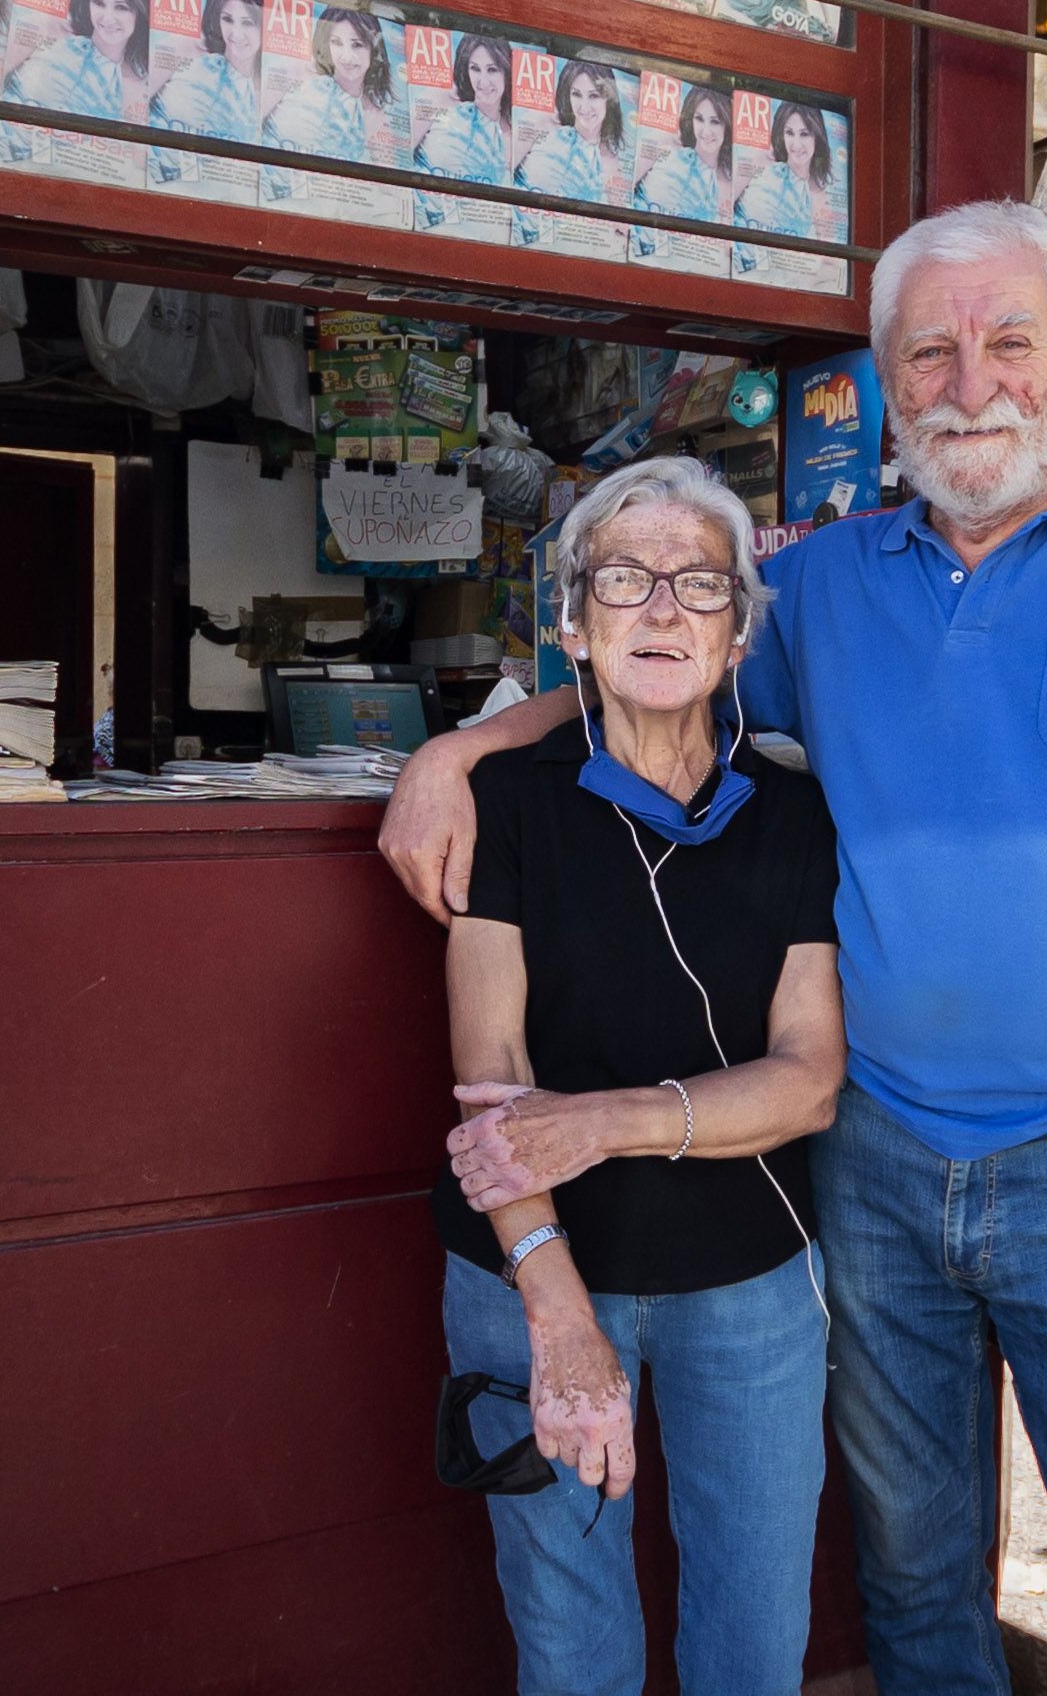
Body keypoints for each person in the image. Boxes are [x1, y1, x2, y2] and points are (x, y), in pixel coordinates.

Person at [390, 200, 1047, 1696]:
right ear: (883, 371)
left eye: (1005, 341)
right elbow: (666, 667)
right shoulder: (826, 583)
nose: (967, 381)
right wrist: (461, 755)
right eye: (928, 350)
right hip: (867, 1162)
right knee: (917, 1593)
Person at [431, 455, 845, 1696]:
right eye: (624, 579)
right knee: (569, 1646)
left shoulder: (793, 813)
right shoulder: (501, 800)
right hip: (533, 1266)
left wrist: (602, 1121)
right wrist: (558, 1322)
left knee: (755, 1638)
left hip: (752, 1283)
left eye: (699, 585)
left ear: (737, 636)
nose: (661, 608)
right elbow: (492, 1084)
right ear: (572, 623)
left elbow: (808, 1079)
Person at [0, 0, 149, 163]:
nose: (108, 18)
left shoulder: (138, 84)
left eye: (121, 7)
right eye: (98, 3)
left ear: (139, 12)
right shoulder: (56, 41)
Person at [260, 4, 397, 202]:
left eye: (357, 44)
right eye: (336, 42)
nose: (346, 56)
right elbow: (249, 123)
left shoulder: (373, 114)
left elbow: (390, 191)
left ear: (374, 51)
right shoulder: (296, 72)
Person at [148, 0, 263, 187]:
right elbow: (133, 112)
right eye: (227, 20)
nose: (236, 34)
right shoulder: (187, 51)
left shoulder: (265, 90)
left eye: (248, 23)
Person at [513, 58, 626, 247]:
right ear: (567, 95)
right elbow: (503, 169)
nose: (584, 107)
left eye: (594, 96)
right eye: (577, 94)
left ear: (609, 99)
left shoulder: (609, 162)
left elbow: (623, 230)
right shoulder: (542, 124)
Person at [412, 33, 514, 229]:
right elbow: (398, 156)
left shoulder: (512, 133)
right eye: (475, 69)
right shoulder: (441, 101)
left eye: (492, 70)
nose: (482, 81)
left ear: (507, 73)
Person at [729, 101, 834, 275]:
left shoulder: (818, 195)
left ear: (817, 136)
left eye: (805, 134)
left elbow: (831, 263)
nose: (796, 144)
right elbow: (721, 206)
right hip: (737, 270)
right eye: (790, 133)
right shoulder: (757, 161)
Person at [629, 84, 732, 260]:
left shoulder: (727, 186)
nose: (706, 131)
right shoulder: (665, 147)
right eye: (699, 119)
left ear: (727, 126)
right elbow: (622, 188)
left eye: (715, 121)